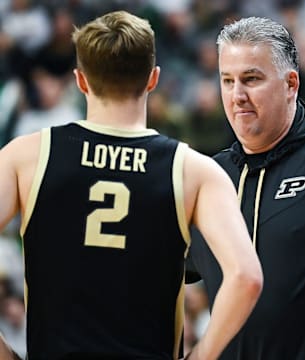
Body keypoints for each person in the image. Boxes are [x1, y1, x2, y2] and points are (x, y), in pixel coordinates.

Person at [0, 10, 263, 360]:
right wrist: (201, 356)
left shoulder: (28, 155)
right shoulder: (193, 170)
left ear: (81, 81)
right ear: (153, 79)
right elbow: (246, 277)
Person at [186, 16, 305, 360]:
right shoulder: (208, 178)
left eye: (251, 79)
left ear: (291, 84)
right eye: (227, 80)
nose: (237, 95)